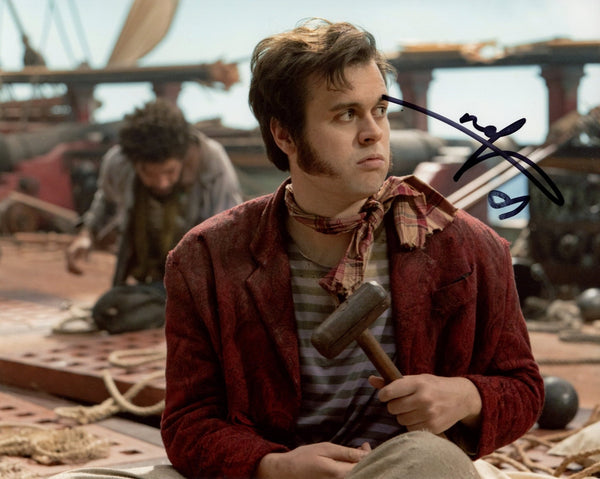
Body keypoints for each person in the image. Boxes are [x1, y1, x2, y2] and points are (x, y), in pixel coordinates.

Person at [50, 18, 543, 479]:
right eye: (346, 114)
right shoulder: (204, 261)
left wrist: (467, 396)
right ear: (284, 134)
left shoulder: (467, 248)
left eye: (379, 109)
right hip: (277, 472)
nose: (373, 131)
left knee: (430, 457)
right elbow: (188, 423)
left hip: (401, 469)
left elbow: (522, 387)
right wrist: (273, 465)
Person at [64, 98, 243, 333]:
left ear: (183, 158)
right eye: (149, 174)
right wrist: (86, 235)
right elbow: (106, 201)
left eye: (170, 172)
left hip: (198, 278)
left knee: (123, 312)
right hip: (152, 276)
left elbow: (228, 231)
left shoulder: (210, 159)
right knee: (108, 309)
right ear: (134, 163)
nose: (162, 182)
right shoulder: (118, 161)